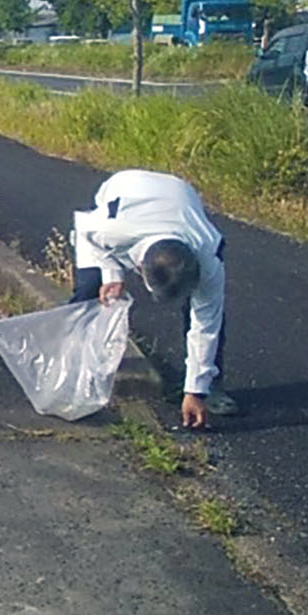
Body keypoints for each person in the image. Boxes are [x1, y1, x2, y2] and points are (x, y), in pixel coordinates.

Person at [70, 167, 233, 428]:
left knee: (204, 313)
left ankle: (209, 385)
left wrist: (195, 391)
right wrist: (112, 274)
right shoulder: (111, 230)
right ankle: (73, 371)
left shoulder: (208, 255)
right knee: (89, 288)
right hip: (125, 186)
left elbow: (206, 323)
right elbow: (85, 232)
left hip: (179, 194)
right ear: (140, 270)